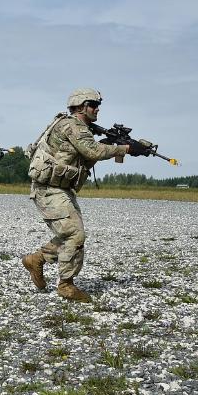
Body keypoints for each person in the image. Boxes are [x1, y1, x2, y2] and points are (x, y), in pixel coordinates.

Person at [22, 88, 142, 302]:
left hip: (61, 188)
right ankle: (66, 286)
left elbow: (87, 156)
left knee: (70, 233)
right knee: (75, 233)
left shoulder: (82, 129)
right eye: (93, 105)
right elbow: (93, 152)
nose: (97, 110)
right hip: (48, 188)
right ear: (80, 106)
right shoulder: (72, 125)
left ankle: (36, 260)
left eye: (98, 106)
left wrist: (119, 145)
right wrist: (124, 149)